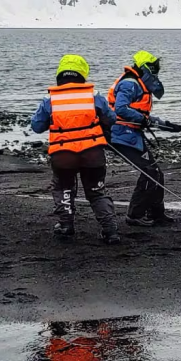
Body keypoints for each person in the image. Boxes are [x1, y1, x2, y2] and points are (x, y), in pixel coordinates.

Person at [30, 54, 121, 243]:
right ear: (83, 73)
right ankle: (110, 230)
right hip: (92, 153)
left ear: (60, 74)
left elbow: (37, 126)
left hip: (63, 155)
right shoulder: (93, 96)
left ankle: (65, 226)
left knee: (64, 188)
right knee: (97, 192)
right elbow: (111, 119)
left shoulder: (50, 99)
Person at [108, 51, 181, 226]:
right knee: (150, 173)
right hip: (120, 135)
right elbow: (121, 109)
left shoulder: (137, 84)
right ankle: (134, 215)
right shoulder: (129, 84)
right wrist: (144, 120)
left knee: (156, 173)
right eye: (154, 68)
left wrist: (166, 124)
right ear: (145, 68)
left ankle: (156, 214)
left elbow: (141, 114)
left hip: (130, 135)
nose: (156, 72)